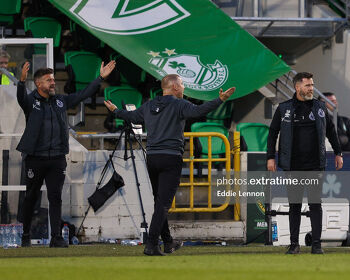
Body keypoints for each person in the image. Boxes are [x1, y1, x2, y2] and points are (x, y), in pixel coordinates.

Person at [104, 74, 235, 256]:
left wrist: (116, 111)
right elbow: (199, 111)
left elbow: (132, 116)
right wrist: (220, 99)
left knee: (159, 202)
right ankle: (151, 244)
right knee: (163, 204)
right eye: (182, 84)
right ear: (174, 87)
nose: (183, 88)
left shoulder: (149, 105)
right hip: (171, 158)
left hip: (152, 158)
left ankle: (168, 242)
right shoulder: (179, 104)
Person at [17, 60, 116, 247]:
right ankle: (25, 234)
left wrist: (100, 78)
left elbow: (82, 95)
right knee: (31, 197)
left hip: (57, 159)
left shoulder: (60, 101)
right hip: (35, 159)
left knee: (55, 197)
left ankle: (56, 237)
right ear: (39, 84)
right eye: (48, 80)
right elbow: (20, 98)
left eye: (53, 79)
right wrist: (21, 81)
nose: (53, 83)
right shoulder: (31, 101)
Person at [267, 72, 343, 255]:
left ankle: (316, 244)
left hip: (316, 165)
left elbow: (331, 131)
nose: (311, 89)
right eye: (308, 85)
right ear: (297, 87)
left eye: (312, 85)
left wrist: (338, 152)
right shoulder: (284, 108)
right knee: (294, 205)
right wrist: (270, 157)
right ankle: (294, 244)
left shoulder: (320, 107)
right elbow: (272, 133)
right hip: (293, 166)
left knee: (316, 204)